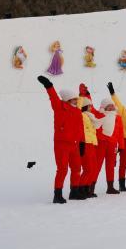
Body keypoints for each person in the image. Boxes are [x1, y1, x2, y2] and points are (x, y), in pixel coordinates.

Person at [37, 75, 84, 203]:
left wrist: (82, 143)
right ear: (68, 99)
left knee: (76, 168)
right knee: (62, 169)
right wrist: (49, 85)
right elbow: (53, 96)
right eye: (74, 99)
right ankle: (57, 194)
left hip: (74, 144)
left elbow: (80, 128)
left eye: (76, 99)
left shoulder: (78, 112)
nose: (76, 101)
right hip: (61, 143)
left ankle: (74, 191)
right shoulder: (59, 107)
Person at [96, 97, 125, 195]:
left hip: (112, 144)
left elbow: (120, 133)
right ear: (104, 107)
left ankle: (110, 187)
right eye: (109, 106)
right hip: (101, 143)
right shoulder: (100, 115)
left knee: (111, 166)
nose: (111, 107)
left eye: (112, 105)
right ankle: (90, 187)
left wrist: (121, 146)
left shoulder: (118, 117)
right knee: (97, 165)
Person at [78, 84, 103, 198]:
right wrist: (82, 95)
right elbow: (79, 106)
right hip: (85, 143)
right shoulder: (81, 115)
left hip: (92, 144)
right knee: (88, 168)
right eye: (89, 106)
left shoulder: (90, 116)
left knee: (92, 168)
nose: (91, 107)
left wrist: (87, 94)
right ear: (85, 107)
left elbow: (88, 103)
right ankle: (80, 189)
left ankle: (87, 189)